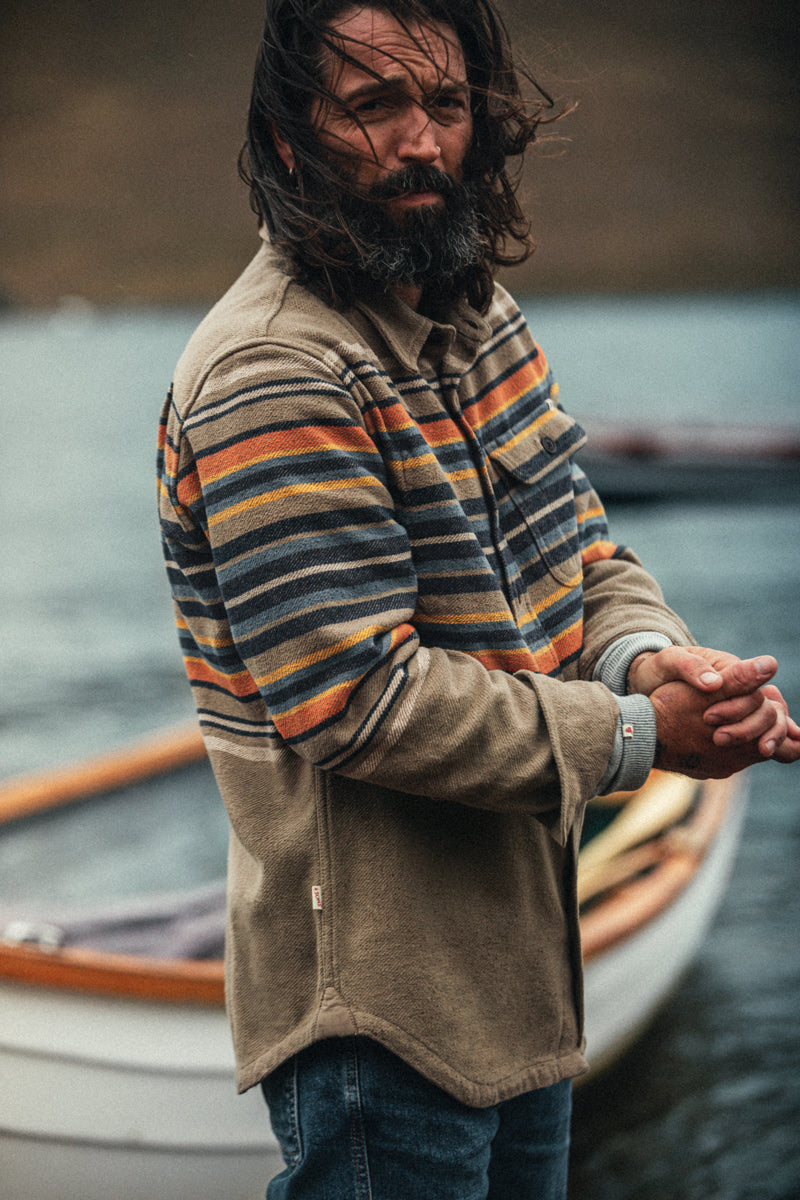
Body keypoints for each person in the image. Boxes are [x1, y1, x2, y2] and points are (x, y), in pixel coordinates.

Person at [157, 1, 800, 1195]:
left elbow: (576, 555)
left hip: (518, 966)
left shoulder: (471, 315)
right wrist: (639, 737)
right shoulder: (271, 370)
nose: (419, 141)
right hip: (380, 1014)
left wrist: (654, 664)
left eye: (443, 104)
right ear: (291, 138)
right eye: (373, 106)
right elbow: (359, 702)